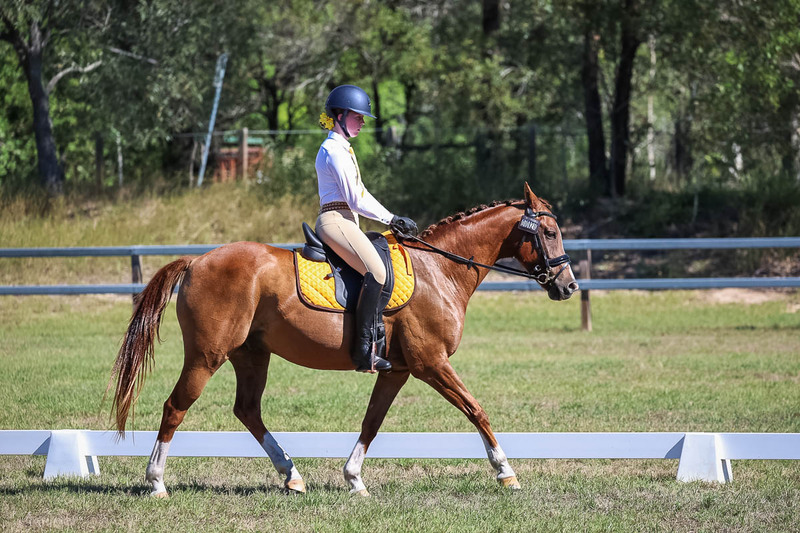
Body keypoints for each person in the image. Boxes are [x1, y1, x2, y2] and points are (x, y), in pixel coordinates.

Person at [315, 84, 418, 373]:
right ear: (339, 115)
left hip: (345, 220)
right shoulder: (334, 150)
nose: (362, 122)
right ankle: (364, 351)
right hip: (336, 220)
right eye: (357, 116)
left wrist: (390, 218)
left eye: (362, 117)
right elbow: (356, 198)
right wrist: (391, 218)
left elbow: (359, 193)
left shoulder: (341, 148)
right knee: (378, 273)